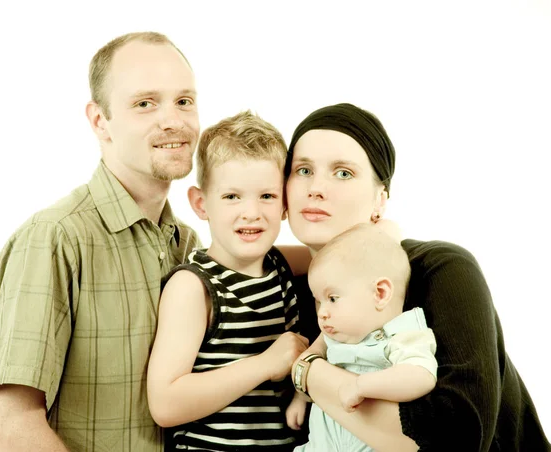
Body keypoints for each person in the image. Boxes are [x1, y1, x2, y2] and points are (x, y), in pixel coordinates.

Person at [285, 103, 550, 451]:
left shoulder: (441, 268)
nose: (315, 187)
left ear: (380, 200)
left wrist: (308, 372)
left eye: (344, 173)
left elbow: (460, 437)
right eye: (303, 170)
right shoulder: (287, 288)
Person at [0, 32, 201, 452]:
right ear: (100, 121)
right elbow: (11, 432)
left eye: (184, 101)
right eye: (145, 103)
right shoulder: (54, 238)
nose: (172, 120)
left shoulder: (187, 245)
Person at [147, 111, 309, 451]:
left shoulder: (279, 264)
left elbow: (335, 253)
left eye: (266, 196)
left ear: (285, 203)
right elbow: (165, 404)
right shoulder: (194, 288)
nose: (250, 212)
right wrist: (266, 364)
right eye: (232, 196)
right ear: (201, 203)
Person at [286, 223, 437, 451]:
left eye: (333, 298)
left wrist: (360, 386)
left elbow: (420, 376)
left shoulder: (402, 336)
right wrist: (301, 398)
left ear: (380, 293)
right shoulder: (336, 336)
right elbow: (311, 370)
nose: (322, 312)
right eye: (319, 301)